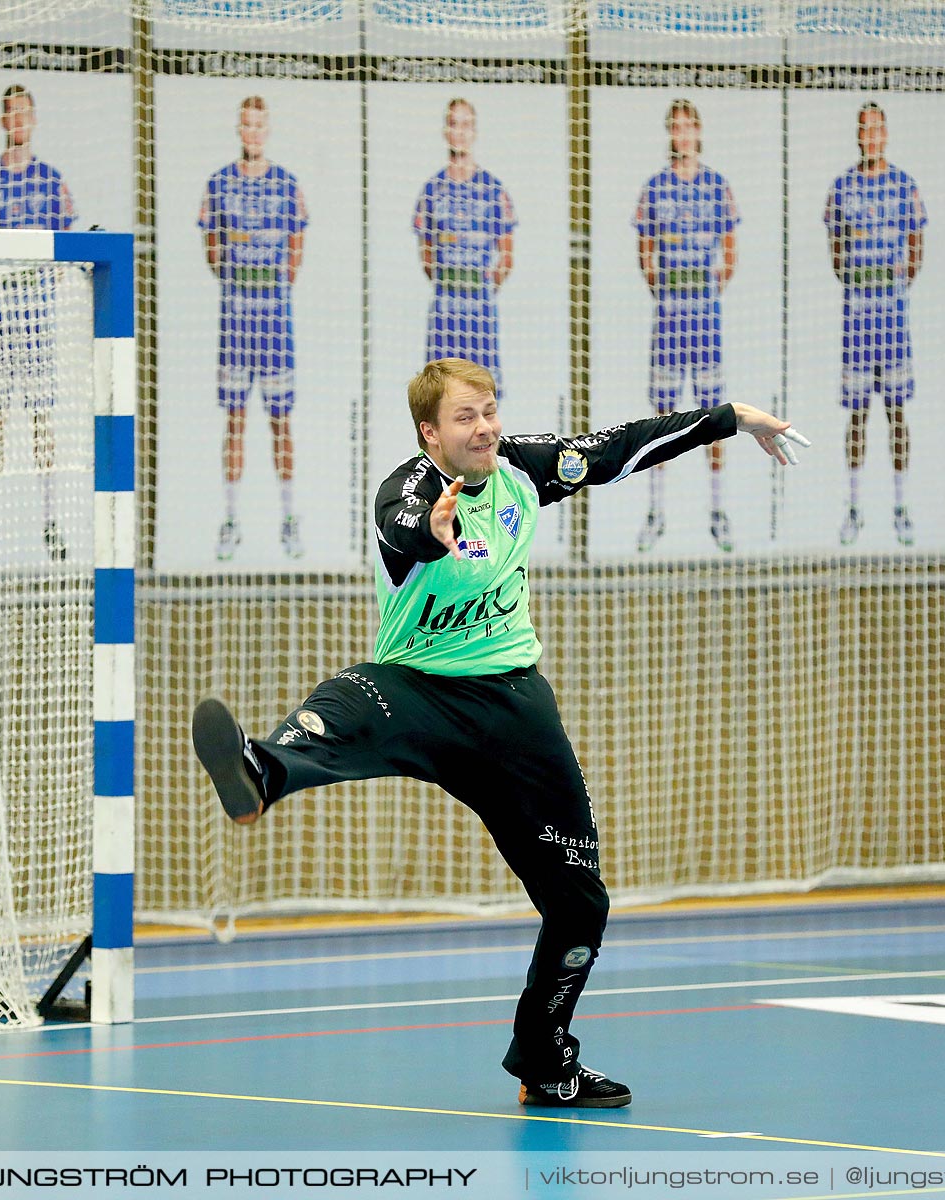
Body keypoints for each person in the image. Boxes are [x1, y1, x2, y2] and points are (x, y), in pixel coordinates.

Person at [190, 356, 807, 1105]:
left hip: (514, 705)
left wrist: (729, 418)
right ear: (430, 433)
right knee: (350, 695)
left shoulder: (520, 471)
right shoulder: (411, 489)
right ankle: (262, 773)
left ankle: (547, 1064)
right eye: (464, 418)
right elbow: (402, 524)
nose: (484, 428)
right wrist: (433, 530)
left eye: (489, 412)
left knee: (581, 905)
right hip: (418, 689)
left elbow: (616, 448)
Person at [0, 84, 79, 564]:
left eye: (25, 113)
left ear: (34, 119)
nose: (18, 122)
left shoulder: (52, 181)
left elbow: (70, 241)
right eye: (10, 113)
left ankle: (51, 519)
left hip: (37, 316)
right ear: (2, 120)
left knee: (41, 419)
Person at [199, 96, 309, 563]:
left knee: (280, 420)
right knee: (236, 419)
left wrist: (273, 288)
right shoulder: (218, 184)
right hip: (234, 319)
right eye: (246, 124)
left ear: (268, 129)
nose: (253, 132)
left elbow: (296, 248)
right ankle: (231, 519)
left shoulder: (287, 185)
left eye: (260, 125)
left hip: (274, 319)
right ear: (239, 129)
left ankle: (288, 519)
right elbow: (211, 247)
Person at [632, 98, 739, 553]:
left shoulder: (717, 187)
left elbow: (729, 254)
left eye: (687, 127)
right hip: (669, 319)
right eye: (673, 127)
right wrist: (666, 290)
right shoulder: (655, 189)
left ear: (698, 132)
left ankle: (717, 510)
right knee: (663, 417)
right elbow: (645, 252)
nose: (681, 135)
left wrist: (706, 289)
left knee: (714, 417)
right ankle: (656, 511)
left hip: (706, 320)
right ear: (669, 135)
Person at [825, 101, 926, 548]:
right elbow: (836, 248)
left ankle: (901, 506)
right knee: (858, 412)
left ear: (886, 134)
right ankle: (854, 507)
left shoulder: (905, 185)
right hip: (856, 320)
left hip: (893, 319)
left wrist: (899, 281)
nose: (871, 135)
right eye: (864, 128)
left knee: (896, 411)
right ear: (858, 135)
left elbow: (917, 243)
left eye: (877, 128)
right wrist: (852, 277)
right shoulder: (842, 187)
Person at [413, 99, 515, 392]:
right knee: (441, 393)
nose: (460, 132)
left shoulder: (493, 189)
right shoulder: (432, 190)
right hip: (445, 307)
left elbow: (506, 257)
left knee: (482, 392)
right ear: (446, 131)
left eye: (466, 124)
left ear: (475, 131)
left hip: (480, 307)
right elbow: (427, 255)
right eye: (454, 124)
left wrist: (481, 287)